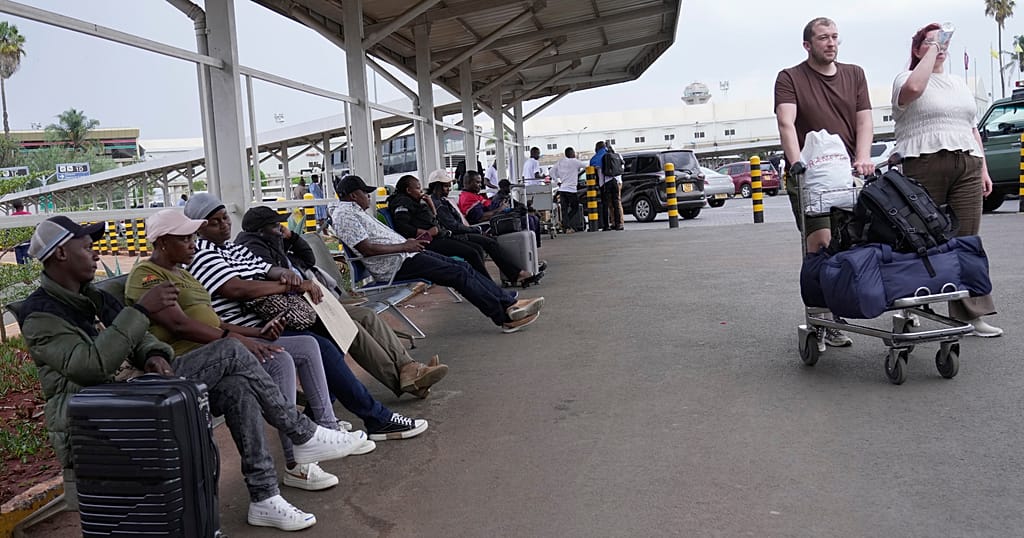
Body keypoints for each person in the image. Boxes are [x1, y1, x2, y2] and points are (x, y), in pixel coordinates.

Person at [18, 216, 365, 532]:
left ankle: (265, 496)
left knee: (237, 387)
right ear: (60, 253)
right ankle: (301, 433)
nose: (95, 255)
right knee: (231, 350)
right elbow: (90, 366)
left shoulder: (92, 296)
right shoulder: (41, 315)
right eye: (87, 248)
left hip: (141, 391)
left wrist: (154, 355)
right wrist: (141, 312)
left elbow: (143, 339)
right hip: (99, 412)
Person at [126, 209, 369, 496]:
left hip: (214, 354)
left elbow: (215, 323)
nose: (193, 244)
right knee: (234, 349)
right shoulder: (147, 275)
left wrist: (257, 334)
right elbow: (180, 325)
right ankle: (302, 433)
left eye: (192, 237)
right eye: (184, 239)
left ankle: (282, 478)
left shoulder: (184, 274)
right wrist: (238, 340)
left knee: (278, 358)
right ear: (162, 242)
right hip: (179, 363)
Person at [183, 193, 430, 440]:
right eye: (215, 222)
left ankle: (319, 415)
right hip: (251, 329)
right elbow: (236, 289)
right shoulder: (203, 254)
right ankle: (376, 418)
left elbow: (267, 268)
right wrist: (290, 286)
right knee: (322, 345)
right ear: (198, 228)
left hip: (273, 320)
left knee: (334, 335)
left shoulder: (233, 249)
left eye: (225, 218)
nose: (224, 224)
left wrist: (286, 274)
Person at [236, 204, 450, 397]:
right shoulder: (254, 248)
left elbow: (308, 260)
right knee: (352, 329)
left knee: (367, 315)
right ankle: (407, 382)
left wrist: (291, 236)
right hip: (297, 310)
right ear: (261, 230)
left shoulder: (273, 242)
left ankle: (409, 367)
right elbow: (278, 278)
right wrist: (300, 282)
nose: (280, 228)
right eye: (276, 225)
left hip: (315, 301)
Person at [891, 23, 1002, 337]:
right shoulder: (905, 78)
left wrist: (983, 168)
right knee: (919, 237)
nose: (940, 47)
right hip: (924, 161)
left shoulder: (958, 83)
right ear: (917, 49)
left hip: (966, 161)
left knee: (967, 238)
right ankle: (908, 306)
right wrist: (931, 52)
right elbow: (914, 89)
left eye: (943, 42)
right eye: (931, 42)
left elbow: (971, 127)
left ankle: (971, 315)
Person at [332, 175, 545, 333]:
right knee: (458, 273)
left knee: (463, 267)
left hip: (406, 255)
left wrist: (408, 246)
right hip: (395, 263)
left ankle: (508, 303)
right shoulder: (345, 215)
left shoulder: (355, 211)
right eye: (365, 193)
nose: (368, 196)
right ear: (353, 195)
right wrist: (404, 246)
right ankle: (504, 317)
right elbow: (367, 249)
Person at [775, 16, 873, 349]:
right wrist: (797, 164)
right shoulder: (790, 78)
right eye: (823, 38)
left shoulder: (854, 74)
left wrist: (863, 157)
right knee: (820, 245)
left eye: (834, 37)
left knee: (849, 243)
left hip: (846, 174)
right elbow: (786, 123)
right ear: (807, 45)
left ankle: (838, 310)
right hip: (812, 175)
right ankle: (820, 319)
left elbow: (864, 121)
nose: (830, 43)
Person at [427, 170, 543, 286]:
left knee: (488, 244)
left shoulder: (443, 201)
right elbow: (454, 226)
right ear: (437, 186)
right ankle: (499, 280)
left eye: (449, 186)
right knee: (486, 245)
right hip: (457, 234)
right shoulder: (439, 204)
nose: (449, 189)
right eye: (446, 186)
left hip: (462, 231)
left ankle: (513, 273)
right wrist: (476, 230)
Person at [389, 174, 492, 279]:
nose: (421, 191)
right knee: (472, 252)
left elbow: (433, 219)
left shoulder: (419, 201)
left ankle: (484, 283)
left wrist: (430, 204)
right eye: (418, 188)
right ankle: (485, 284)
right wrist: (427, 233)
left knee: (477, 249)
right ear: (408, 190)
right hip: (429, 242)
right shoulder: (402, 202)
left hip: (439, 236)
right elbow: (402, 227)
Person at [493, 179, 543, 248]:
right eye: (508, 187)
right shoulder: (498, 198)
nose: (510, 189)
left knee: (535, 218)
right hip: (506, 219)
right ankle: (531, 244)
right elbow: (500, 212)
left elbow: (517, 204)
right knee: (529, 220)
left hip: (512, 216)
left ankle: (536, 243)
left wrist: (526, 204)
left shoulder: (507, 196)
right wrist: (520, 209)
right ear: (503, 187)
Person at [552, 148, 586, 233]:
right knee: (575, 207)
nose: (574, 154)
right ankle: (564, 223)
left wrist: (557, 181)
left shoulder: (560, 162)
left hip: (562, 189)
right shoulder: (575, 162)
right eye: (574, 152)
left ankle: (566, 227)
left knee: (564, 209)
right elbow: (587, 166)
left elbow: (551, 172)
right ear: (571, 153)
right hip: (571, 190)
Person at [600, 143, 625, 230]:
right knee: (617, 203)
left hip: (608, 181)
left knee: (609, 204)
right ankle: (619, 223)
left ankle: (612, 223)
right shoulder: (618, 155)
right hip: (617, 181)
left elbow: (603, 170)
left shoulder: (604, 157)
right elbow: (622, 167)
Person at [11, 199, 31, 264]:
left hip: (17, 243)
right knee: (28, 261)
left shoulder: (12, 217)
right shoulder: (29, 215)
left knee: (19, 262)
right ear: (22, 206)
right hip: (27, 242)